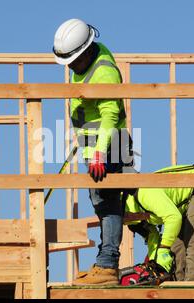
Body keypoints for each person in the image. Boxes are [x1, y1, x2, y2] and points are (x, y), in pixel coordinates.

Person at [53, 18, 134, 285]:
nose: (72, 66)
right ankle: (105, 260)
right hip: (97, 143)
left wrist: (98, 152)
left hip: (110, 144)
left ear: (86, 50)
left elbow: (110, 115)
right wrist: (83, 138)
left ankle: (108, 265)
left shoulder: (104, 71)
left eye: (74, 61)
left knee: (107, 202)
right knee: (102, 202)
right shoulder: (86, 60)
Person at [123, 163, 194, 282]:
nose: (124, 222)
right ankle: (179, 287)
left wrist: (163, 248)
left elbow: (174, 218)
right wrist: (156, 265)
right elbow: (153, 238)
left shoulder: (144, 193)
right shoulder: (132, 220)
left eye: (123, 218)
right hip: (182, 207)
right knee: (176, 247)